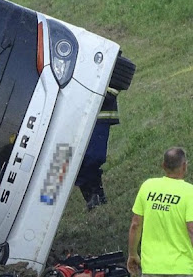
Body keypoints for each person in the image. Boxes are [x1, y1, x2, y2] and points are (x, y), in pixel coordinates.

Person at [127, 147, 193, 275]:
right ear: (184, 166)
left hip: (152, 268)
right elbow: (191, 229)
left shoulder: (147, 186)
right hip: (182, 267)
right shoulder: (189, 192)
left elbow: (135, 224)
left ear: (163, 165)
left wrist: (133, 254)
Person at [75, 87, 119, 210]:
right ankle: (92, 197)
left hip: (100, 111)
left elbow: (122, 71)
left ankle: (95, 194)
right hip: (72, 112)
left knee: (94, 157)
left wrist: (109, 92)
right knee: (75, 160)